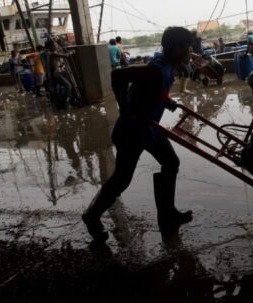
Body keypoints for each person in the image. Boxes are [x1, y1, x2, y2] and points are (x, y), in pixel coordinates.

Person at [82, 27, 194, 242]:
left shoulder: (167, 66)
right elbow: (118, 76)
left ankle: (167, 214)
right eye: (188, 47)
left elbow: (150, 91)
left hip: (149, 128)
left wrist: (165, 100)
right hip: (132, 132)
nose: (191, 51)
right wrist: (125, 110)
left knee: (171, 163)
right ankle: (92, 215)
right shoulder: (156, 70)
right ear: (176, 49)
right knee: (122, 179)